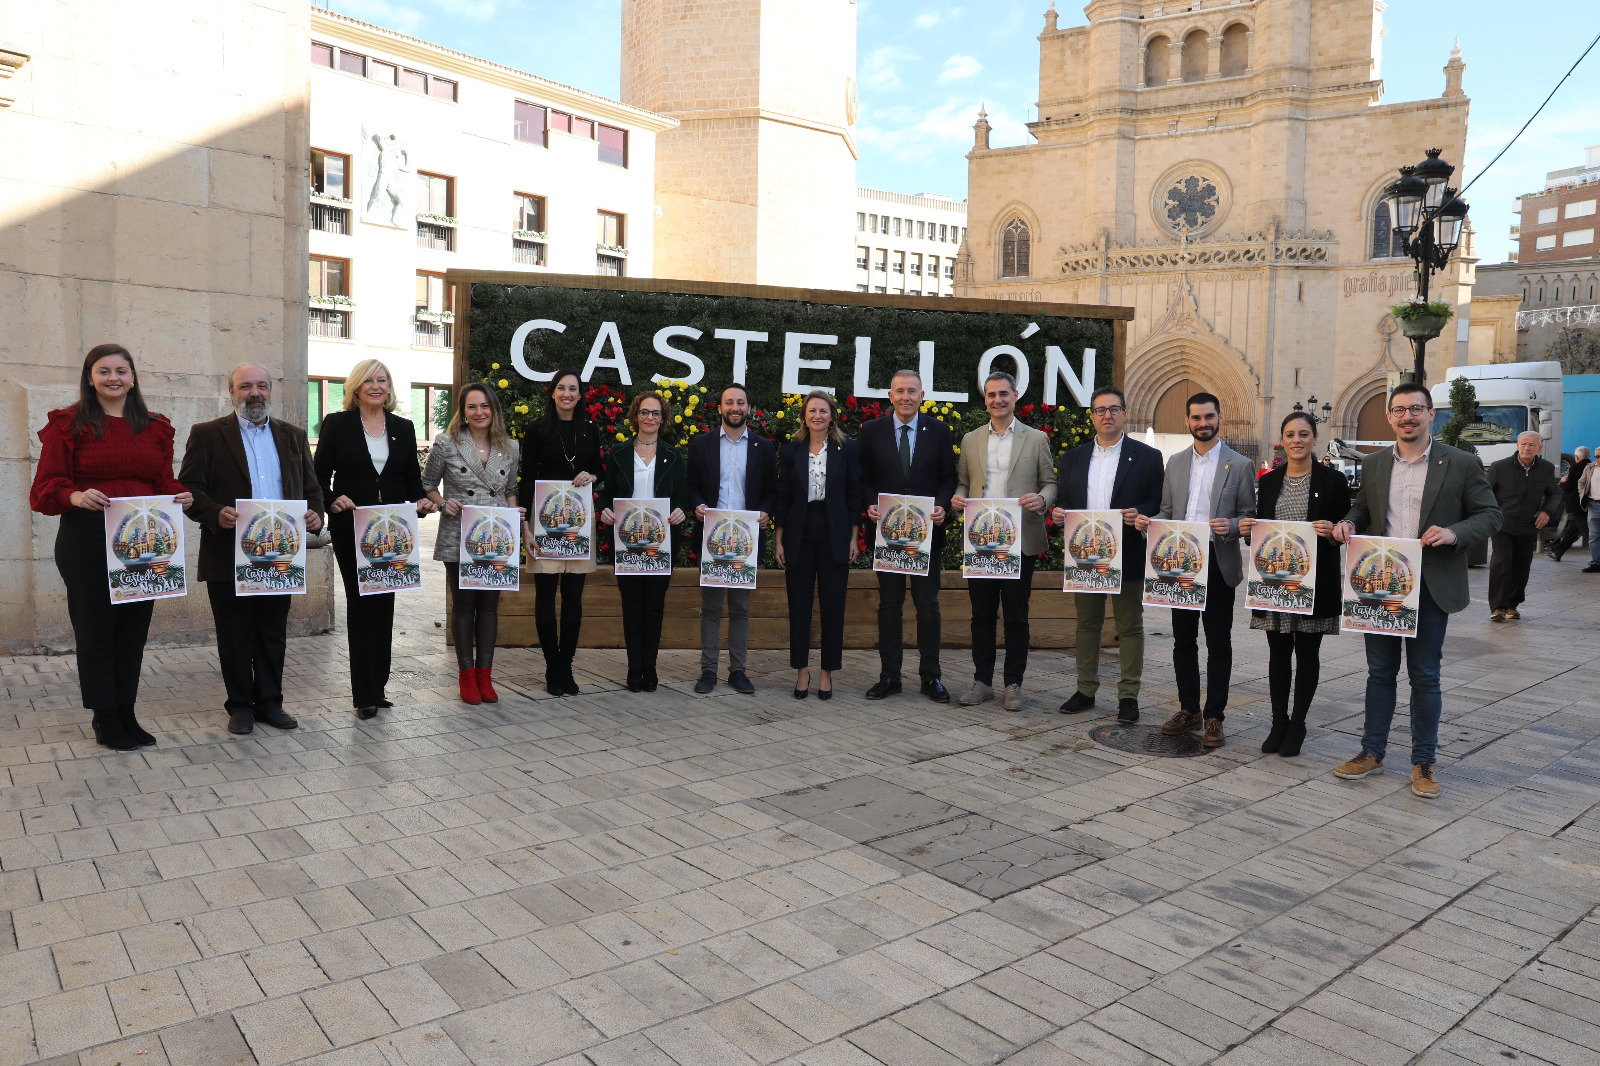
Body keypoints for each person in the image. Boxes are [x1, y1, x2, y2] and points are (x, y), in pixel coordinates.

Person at [1332, 382, 1501, 798]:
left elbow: (1491, 515)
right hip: (1381, 587)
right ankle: (1371, 752)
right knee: (1379, 673)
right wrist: (1349, 523)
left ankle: (1423, 762)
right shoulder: (1372, 465)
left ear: (1431, 414)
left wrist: (1453, 532)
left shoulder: (1460, 462)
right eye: (1399, 410)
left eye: (1416, 409)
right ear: (1390, 416)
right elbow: (1363, 509)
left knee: (1425, 676)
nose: (1407, 417)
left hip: (1429, 585)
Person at [30, 343, 193, 751]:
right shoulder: (69, 424)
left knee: (133, 633)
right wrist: (75, 496)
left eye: (121, 371)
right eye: (104, 371)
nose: (113, 378)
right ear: (90, 378)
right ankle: (105, 717)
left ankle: (126, 711)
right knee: (96, 631)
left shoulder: (155, 427)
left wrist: (181, 496)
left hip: (145, 545)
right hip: (87, 540)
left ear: (133, 377)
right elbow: (45, 489)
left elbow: (162, 483)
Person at [178, 363, 324, 736]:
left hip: (280, 555)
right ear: (231, 392)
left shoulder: (292, 436)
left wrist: (315, 516)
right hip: (228, 552)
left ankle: (271, 703)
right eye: (245, 386)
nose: (254, 393)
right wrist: (214, 513)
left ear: (270, 392)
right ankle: (240, 706)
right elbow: (189, 490)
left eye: (261, 386)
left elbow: (311, 489)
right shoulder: (208, 434)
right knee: (235, 633)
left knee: (273, 632)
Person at [314, 359, 436, 720]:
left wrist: (422, 501)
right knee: (361, 605)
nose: (376, 386)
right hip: (352, 525)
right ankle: (363, 693)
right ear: (355, 387)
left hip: (394, 530)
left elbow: (412, 478)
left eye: (382, 380)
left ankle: (378, 687)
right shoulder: (338, 424)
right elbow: (318, 474)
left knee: (385, 607)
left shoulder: (403, 426)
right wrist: (330, 498)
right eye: (368, 380)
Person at [1135, 391, 1255, 748]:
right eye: (1196, 418)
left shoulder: (1241, 465)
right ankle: (1189, 710)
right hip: (1179, 567)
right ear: (1187, 421)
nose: (1203, 423)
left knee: (1218, 643)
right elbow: (1168, 512)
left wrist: (1232, 527)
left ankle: (1215, 715)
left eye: (1209, 417)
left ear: (1220, 419)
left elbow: (1249, 515)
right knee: (1182, 641)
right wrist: (1148, 522)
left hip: (1218, 564)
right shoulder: (1174, 463)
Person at [1237, 412, 1350, 757]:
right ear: (1282, 440)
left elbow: (1347, 526)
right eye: (1290, 434)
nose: (1297, 440)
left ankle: (1298, 723)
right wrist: (1247, 532)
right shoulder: (1270, 481)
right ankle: (1278, 721)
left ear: (1314, 438)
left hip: (1314, 583)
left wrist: (1333, 531)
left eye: (1304, 434)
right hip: (1275, 582)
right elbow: (1262, 532)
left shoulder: (1333, 480)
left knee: (1308, 653)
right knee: (1278, 653)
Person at [1052, 385, 1164, 724]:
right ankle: (1085, 690)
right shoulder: (1072, 458)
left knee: (1130, 626)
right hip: (1085, 556)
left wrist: (1140, 512)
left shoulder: (1147, 457)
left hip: (1127, 552)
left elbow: (1158, 504)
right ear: (1092, 416)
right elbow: (1067, 502)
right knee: (1087, 624)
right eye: (1100, 410)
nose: (1107, 415)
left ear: (1124, 414)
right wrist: (1060, 513)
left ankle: (1128, 696)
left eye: (1114, 409)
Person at [950, 371, 1057, 712]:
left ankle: (1014, 684)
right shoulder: (970, 440)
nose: (998, 400)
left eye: (1004, 394)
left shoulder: (1036, 439)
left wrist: (1043, 500)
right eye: (992, 394)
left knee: (1016, 617)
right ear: (985, 400)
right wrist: (957, 498)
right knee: (981, 615)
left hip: (1019, 542)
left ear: (1015, 396)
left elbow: (1051, 483)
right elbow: (964, 484)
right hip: (981, 544)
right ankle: (982, 682)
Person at [859, 369, 958, 704]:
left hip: (925, 536)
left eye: (911, 391)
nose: (905, 397)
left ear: (921, 396)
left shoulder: (939, 431)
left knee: (927, 606)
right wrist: (869, 503)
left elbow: (948, 477)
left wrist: (943, 505)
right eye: (899, 391)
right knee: (889, 605)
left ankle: (931, 677)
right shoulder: (872, 431)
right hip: (887, 538)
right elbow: (862, 477)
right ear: (890, 396)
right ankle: (890, 676)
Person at [423, 383, 521, 705]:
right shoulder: (447, 443)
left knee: (490, 607)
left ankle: (485, 675)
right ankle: (466, 676)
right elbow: (427, 485)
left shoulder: (510, 447)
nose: (479, 412)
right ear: (462, 411)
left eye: (484, 406)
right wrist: (442, 503)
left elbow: (509, 489)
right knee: (464, 605)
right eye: (471, 407)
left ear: (493, 409)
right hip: (459, 532)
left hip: (495, 535)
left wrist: (514, 510)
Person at [687, 382, 779, 695]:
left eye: (741, 402)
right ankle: (708, 671)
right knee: (711, 608)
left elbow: (770, 491)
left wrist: (766, 512)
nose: (735, 408)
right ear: (720, 408)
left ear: (749, 408)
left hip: (746, 543)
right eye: (729, 402)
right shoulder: (702, 444)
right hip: (712, 539)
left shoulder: (764, 448)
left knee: (740, 609)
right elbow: (692, 485)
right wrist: (697, 504)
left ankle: (738, 671)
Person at [775, 390, 863, 700]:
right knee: (798, 606)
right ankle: (802, 672)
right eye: (812, 411)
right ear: (804, 416)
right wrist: (779, 540)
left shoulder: (847, 449)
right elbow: (783, 498)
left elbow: (854, 496)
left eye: (823, 411)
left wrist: (854, 537)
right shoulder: (791, 451)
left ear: (832, 416)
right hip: (799, 533)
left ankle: (826, 673)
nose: (817, 416)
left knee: (832, 607)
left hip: (835, 534)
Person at [598, 390, 688, 692]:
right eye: (645, 412)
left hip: (660, 544)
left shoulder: (673, 455)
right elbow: (606, 495)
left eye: (656, 413)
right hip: (628, 544)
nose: (650, 418)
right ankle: (634, 669)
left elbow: (683, 498)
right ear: (636, 416)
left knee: (654, 606)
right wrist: (605, 512)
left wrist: (680, 512)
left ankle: (650, 668)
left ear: (663, 420)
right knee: (632, 606)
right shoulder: (619, 454)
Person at [519, 368, 601, 696]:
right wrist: (525, 527)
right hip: (543, 525)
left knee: (573, 597)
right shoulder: (537, 430)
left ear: (580, 395)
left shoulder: (589, 431)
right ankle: (552, 667)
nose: (567, 394)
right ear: (552, 393)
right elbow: (526, 478)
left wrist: (592, 477)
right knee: (545, 596)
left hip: (578, 526)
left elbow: (599, 469)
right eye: (561, 388)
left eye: (573, 389)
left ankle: (566, 665)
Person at [1485, 431, 1560, 621]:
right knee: (1502, 562)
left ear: (1539, 448)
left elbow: (1555, 493)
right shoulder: (1499, 467)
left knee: (1522, 565)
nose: (1527, 448)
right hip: (1502, 524)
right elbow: (1486, 493)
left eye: (1532, 445)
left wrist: (1547, 511)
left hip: (1528, 524)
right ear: (1517, 445)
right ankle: (1498, 607)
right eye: (1524, 444)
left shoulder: (1546, 468)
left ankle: (1512, 604)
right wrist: (1491, 515)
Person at [1547, 446, 1590, 561]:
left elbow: (1570, 486)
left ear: (1576, 457)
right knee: (1574, 531)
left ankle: (1596, 557)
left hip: (1577, 504)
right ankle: (1557, 551)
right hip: (1587, 504)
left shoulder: (1575, 468)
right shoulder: (1592, 467)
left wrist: (1562, 483)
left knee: (1586, 532)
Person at [1580, 458, 1600, 574]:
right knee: (1594, 535)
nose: (1598, 459)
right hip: (1593, 505)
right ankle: (1596, 563)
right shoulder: (1590, 467)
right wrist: (1582, 493)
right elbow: (1581, 482)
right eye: (1597, 456)